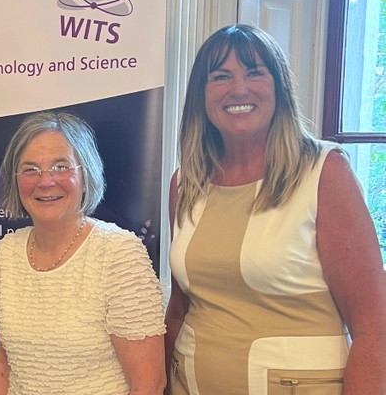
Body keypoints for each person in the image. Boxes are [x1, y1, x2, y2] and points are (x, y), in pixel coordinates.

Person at [165, 25, 386, 394]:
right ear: (201, 96)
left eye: (254, 72)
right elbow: (180, 307)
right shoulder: (187, 183)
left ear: (279, 87)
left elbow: (375, 327)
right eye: (221, 77)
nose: (239, 89)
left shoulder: (324, 173)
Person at [0, 112, 166, 395]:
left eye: (61, 167)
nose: (45, 181)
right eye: (30, 169)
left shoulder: (119, 254)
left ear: (86, 174)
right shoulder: (5, 253)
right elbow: (2, 364)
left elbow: (149, 384)